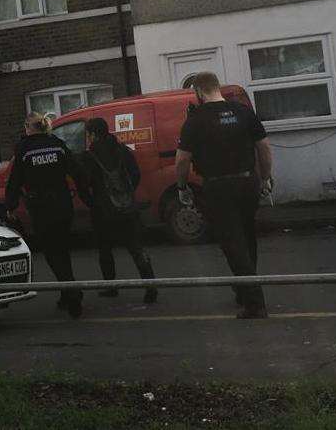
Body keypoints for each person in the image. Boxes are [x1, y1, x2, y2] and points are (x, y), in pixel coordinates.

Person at [175, 72, 274, 319]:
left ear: (198, 92)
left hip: (219, 186)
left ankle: (254, 302)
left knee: (232, 241)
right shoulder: (242, 111)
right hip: (247, 181)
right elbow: (264, 146)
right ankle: (244, 288)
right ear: (217, 87)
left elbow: (182, 159)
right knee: (247, 235)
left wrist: (181, 186)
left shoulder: (195, 120)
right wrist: (265, 177)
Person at [6, 112, 89, 318]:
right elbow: (77, 171)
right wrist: (87, 197)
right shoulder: (58, 144)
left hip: (41, 207)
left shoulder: (24, 149)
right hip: (62, 204)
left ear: (29, 126)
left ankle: (72, 293)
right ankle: (67, 292)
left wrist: (10, 205)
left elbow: (15, 179)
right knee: (63, 250)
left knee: (52, 253)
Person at [81, 118, 158, 304]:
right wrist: (127, 194)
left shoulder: (89, 156)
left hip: (102, 211)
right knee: (136, 247)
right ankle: (150, 286)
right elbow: (135, 174)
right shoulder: (122, 150)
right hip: (126, 208)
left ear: (92, 134)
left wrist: (92, 202)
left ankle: (111, 286)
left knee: (105, 250)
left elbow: (84, 184)